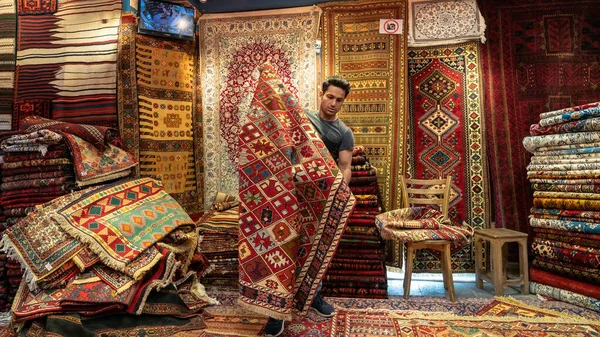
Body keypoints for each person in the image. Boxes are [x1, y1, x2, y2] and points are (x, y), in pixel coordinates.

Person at [264, 76, 354, 337]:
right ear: (321, 93)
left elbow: (344, 168)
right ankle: (276, 311)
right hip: (291, 196)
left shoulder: (343, 132)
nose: (333, 103)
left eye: (339, 100)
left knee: (315, 249)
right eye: (330, 97)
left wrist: (336, 194)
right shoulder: (303, 119)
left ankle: (314, 296)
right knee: (283, 248)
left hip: (320, 200)